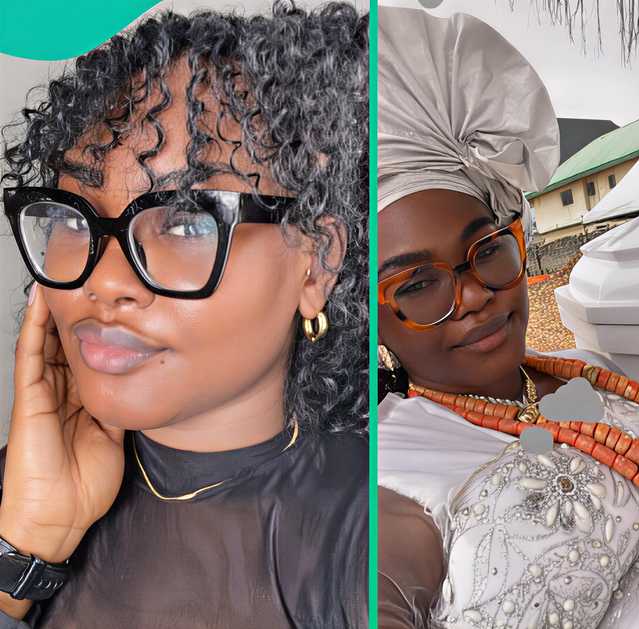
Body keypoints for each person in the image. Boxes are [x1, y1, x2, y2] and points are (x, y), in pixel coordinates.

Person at [376, 7, 639, 629]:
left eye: (486, 250)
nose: (473, 296)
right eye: (417, 284)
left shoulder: (589, 370)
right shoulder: (392, 476)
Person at [0, 3, 369, 627]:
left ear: (317, 260)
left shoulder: (371, 538)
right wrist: (24, 549)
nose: (105, 279)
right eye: (69, 215)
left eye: (185, 219)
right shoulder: (21, 485)